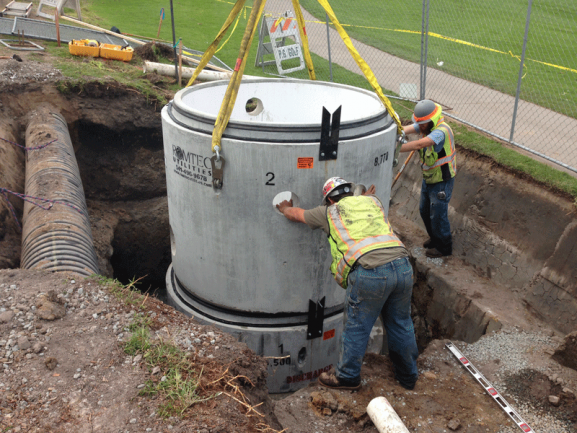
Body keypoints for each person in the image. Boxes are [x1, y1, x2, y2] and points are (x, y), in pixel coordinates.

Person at [276, 177, 419, 391]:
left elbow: (296, 214)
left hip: (371, 272)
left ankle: (347, 376)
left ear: (329, 200)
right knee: (401, 323)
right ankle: (408, 376)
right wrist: (364, 195)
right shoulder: (372, 202)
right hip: (402, 265)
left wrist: (284, 207)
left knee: (357, 327)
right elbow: (364, 200)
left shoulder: (329, 212)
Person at [400, 100, 456, 258]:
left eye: (423, 124)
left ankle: (444, 247)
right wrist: (395, 132)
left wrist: (395, 147)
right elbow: (407, 129)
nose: (420, 127)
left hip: (441, 181)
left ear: (431, 121)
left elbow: (419, 144)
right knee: (424, 210)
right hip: (430, 177)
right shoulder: (426, 124)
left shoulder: (441, 132)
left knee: (438, 214)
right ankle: (435, 238)